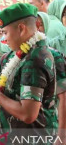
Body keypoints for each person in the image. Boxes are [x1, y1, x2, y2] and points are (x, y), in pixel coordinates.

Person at [0, 3, 57, 139]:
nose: (4, 38)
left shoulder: (35, 58)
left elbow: (27, 114)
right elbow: (16, 93)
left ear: (21, 29)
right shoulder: (20, 54)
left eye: (6, 32)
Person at [37, 12, 66, 143]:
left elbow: (63, 96)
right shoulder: (14, 57)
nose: (37, 29)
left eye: (41, 24)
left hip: (51, 123)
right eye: (34, 25)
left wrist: (62, 136)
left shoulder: (53, 55)